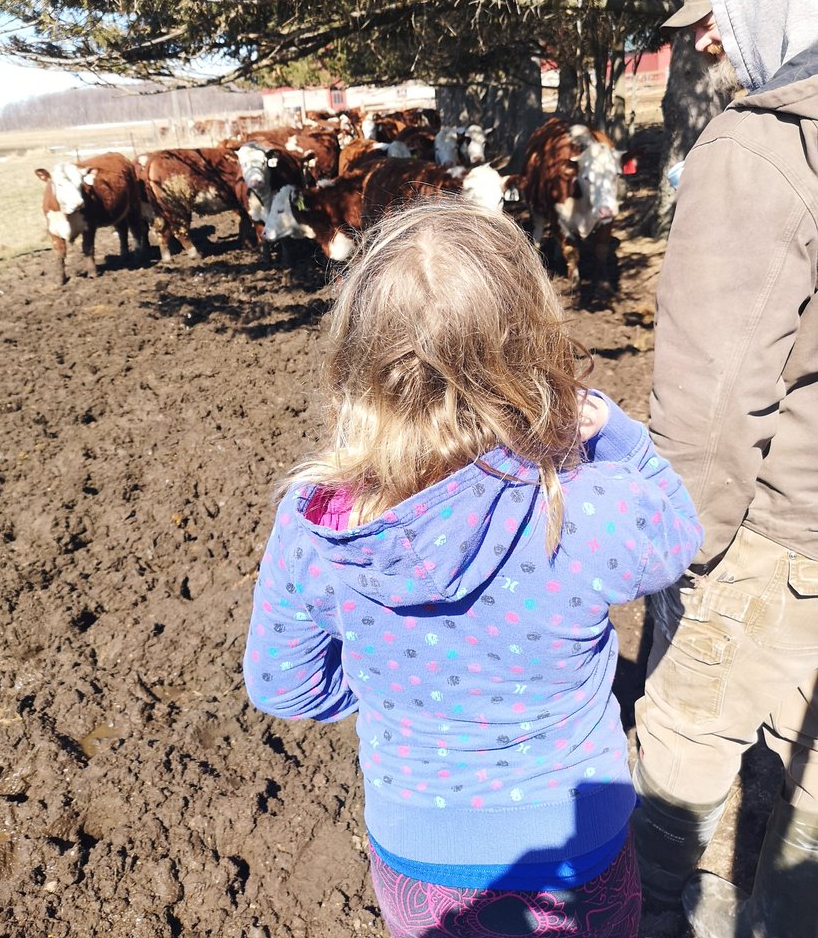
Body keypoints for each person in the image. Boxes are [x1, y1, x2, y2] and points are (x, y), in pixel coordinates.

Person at [244, 197, 702, 938]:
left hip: (416, 854)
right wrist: (612, 430)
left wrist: (388, 688)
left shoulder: (316, 526)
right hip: (578, 851)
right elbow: (680, 532)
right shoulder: (585, 507)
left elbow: (284, 686)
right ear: (534, 343)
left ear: (355, 356)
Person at [632, 0, 818, 938]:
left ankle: (669, 918)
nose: (712, 37)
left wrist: (678, 559)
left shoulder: (763, 147)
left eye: (732, 3)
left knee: (682, 751)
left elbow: (709, 418)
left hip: (783, 532)